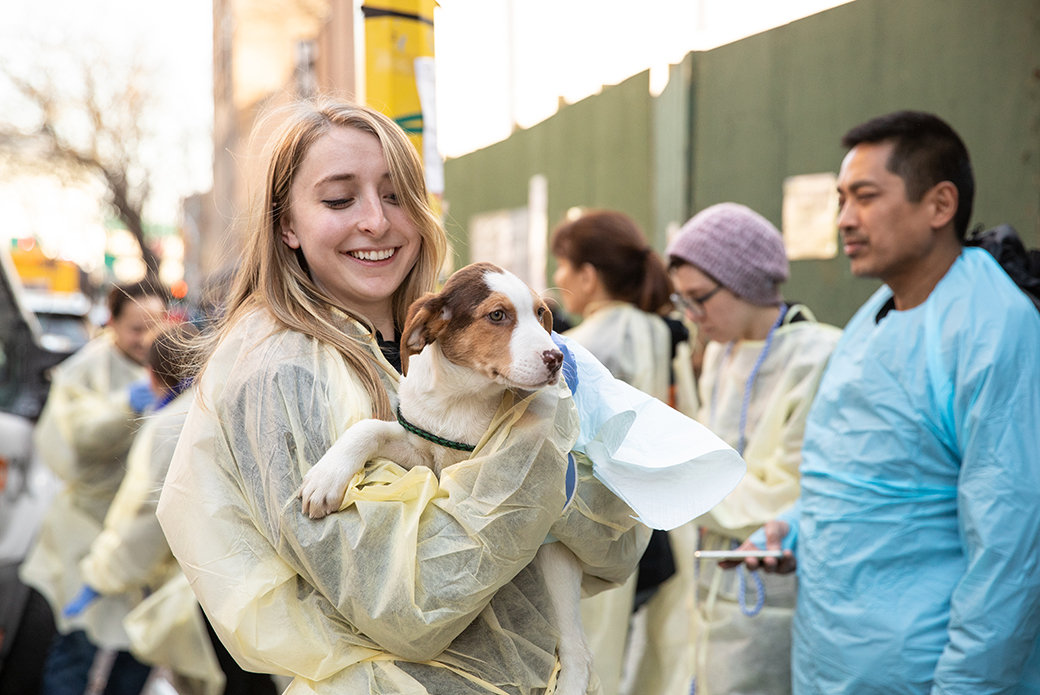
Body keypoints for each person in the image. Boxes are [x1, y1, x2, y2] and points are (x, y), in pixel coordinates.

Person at [155, 97, 648, 695]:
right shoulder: (280, 370)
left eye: (395, 196)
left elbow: (612, 546)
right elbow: (399, 603)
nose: (376, 221)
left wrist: (579, 485)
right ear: (286, 224)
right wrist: (534, 472)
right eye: (339, 199)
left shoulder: (452, 345)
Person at [735, 110, 1040, 693]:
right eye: (841, 199)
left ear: (940, 205)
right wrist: (792, 528)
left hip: (926, 673)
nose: (845, 219)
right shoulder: (876, 313)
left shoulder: (992, 329)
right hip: (832, 662)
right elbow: (873, 479)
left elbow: (1011, 553)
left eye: (866, 197)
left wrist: (965, 687)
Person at [664, 203, 841, 695]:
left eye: (700, 298)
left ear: (746, 280)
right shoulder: (719, 352)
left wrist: (679, 487)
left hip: (779, 587)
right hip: (711, 585)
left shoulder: (818, 355)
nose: (694, 317)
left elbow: (795, 490)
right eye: (683, 303)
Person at [66, 322, 279, 695]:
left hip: (204, 589)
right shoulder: (222, 405)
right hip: (251, 584)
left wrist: (101, 573)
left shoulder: (170, 424)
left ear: (151, 374)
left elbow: (145, 520)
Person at [550, 209, 691, 695]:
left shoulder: (574, 350)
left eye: (564, 267)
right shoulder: (663, 333)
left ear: (587, 277)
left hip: (587, 525)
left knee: (586, 654)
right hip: (651, 523)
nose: (557, 278)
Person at [20, 280, 168, 695]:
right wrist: (125, 406)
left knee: (141, 646)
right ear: (113, 323)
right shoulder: (86, 368)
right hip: (88, 525)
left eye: (155, 325)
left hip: (143, 531)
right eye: (137, 328)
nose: (146, 338)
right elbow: (77, 438)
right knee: (79, 646)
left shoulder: (167, 361)